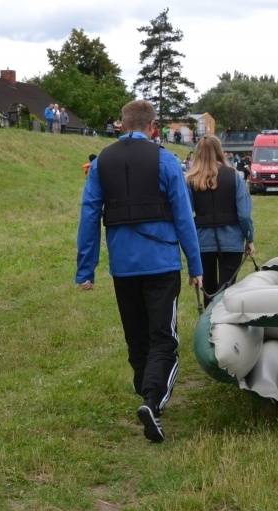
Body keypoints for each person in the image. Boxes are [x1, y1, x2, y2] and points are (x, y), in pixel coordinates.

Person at [75, 99, 203, 443]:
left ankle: (143, 382)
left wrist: (85, 269)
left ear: (120, 124)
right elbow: (183, 217)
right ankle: (153, 399)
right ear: (153, 128)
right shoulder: (166, 161)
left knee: (137, 335)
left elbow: (89, 215)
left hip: (123, 266)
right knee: (164, 337)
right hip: (161, 264)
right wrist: (196, 264)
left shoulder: (102, 163)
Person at [186, 135, 255, 308]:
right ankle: (224, 328)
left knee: (208, 288)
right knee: (227, 290)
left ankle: (209, 329)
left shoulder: (190, 180)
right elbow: (244, 214)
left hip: (202, 241)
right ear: (219, 151)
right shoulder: (234, 176)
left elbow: (185, 216)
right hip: (231, 240)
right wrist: (250, 238)